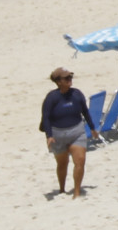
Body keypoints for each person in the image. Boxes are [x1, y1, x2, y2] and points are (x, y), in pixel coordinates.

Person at [40, 68, 97, 198]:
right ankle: (62, 189)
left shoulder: (77, 94)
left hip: (77, 131)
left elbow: (85, 111)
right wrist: (49, 136)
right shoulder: (52, 98)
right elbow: (46, 117)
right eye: (66, 78)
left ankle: (76, 192)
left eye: (70, 77)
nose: (70, 80)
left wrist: (92, 128)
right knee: (62, 163)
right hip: (57, 134)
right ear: (58, 81)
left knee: (80, 160)